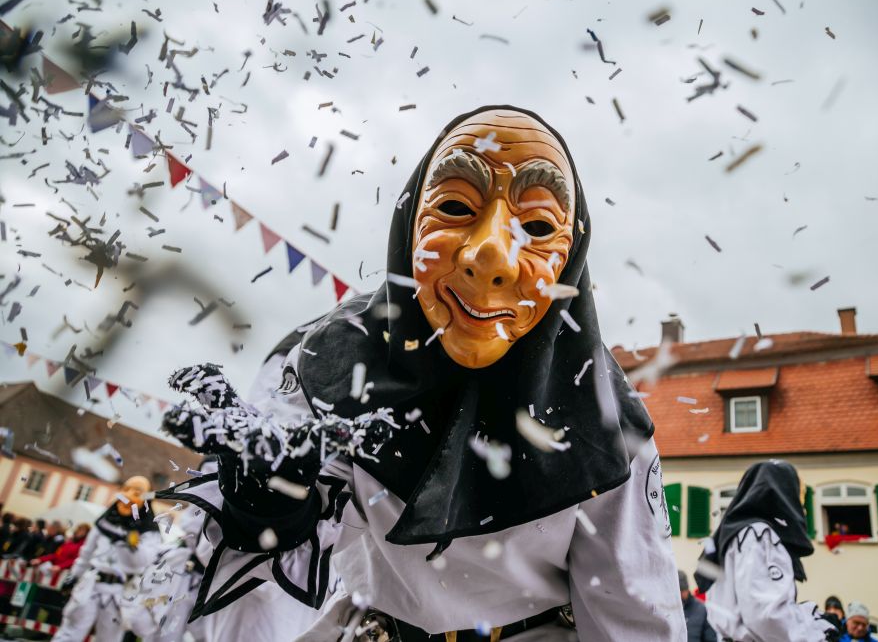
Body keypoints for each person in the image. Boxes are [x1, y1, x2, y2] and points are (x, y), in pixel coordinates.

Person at [158, 106, 686, 641]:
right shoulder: (336, 362)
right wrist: (264, 511)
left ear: (570, 259)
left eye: (538, 226)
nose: (491, 256)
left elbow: (636, 620)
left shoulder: (601, 416)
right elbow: (248, 604)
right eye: (455, 206)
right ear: (410, 225)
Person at [700, 460, 834, 642]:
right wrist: (815, 628)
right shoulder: (759, 535)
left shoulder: (733, 534)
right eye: (798, 497)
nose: (802, 509)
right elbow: (765, 617)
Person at [52, 476, 162, 642]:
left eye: (137, 492)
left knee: (109, 638)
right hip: (91, 585)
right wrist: (74, 576)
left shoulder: (148, 529)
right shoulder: (106, 521)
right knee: (70, 633)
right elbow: (86, 553)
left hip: (119, 590)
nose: (128, 495)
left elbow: (143, 562)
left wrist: (129, 544)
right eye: (125, 489)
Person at [679, 570, 716, 642]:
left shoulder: (702, 609)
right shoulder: (668, 609)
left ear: (687, 589)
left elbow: (710, 638)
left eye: (682, 590)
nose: (680, 595)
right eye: (678, 591)